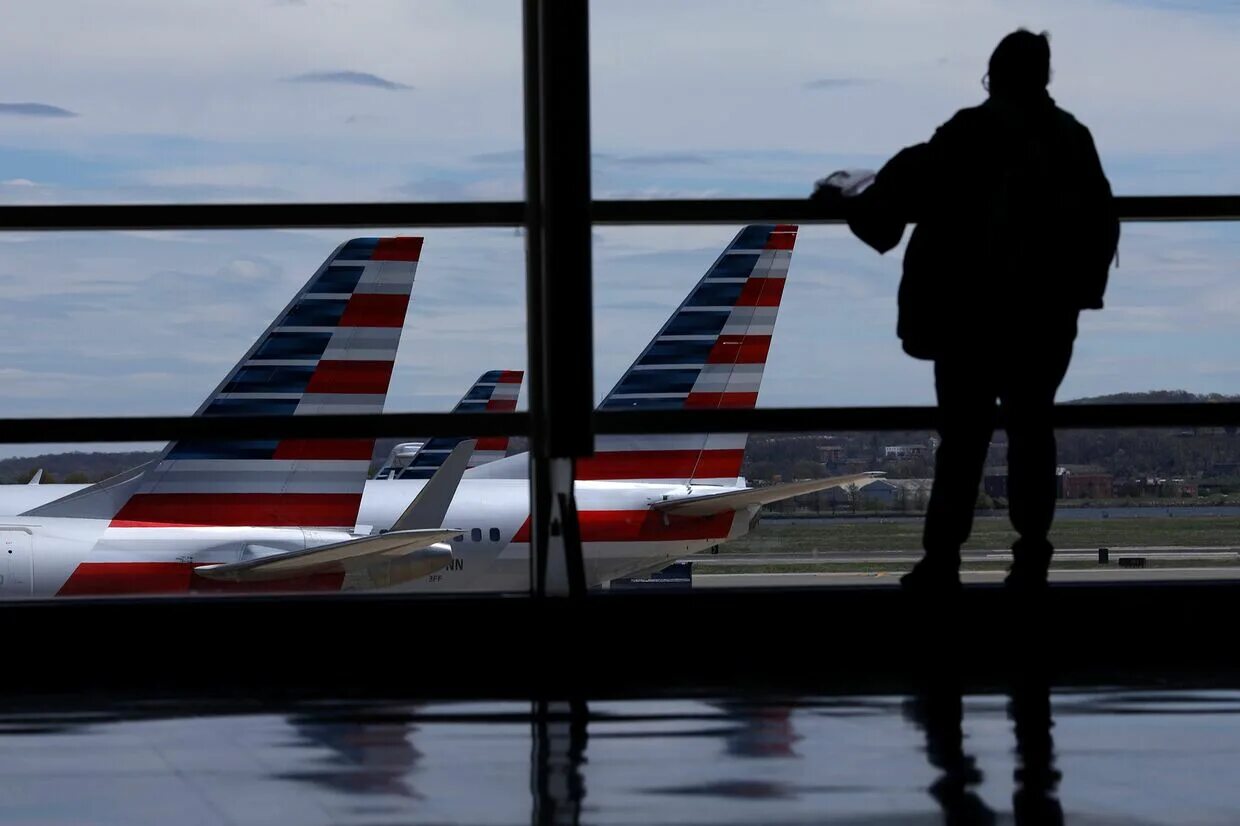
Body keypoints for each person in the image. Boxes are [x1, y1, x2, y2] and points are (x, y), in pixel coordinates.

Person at [813, 29, 1119, 591]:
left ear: (992, 75)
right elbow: (1100, 226)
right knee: (1032, 433)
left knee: (962, 441)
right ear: (1044, 78)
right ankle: (1031, 559)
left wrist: (841, 198)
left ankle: (943, 560)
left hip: (966, 319)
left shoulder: (968, 134)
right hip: (1044, 318)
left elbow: (891, 205)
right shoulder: (1071, 139)